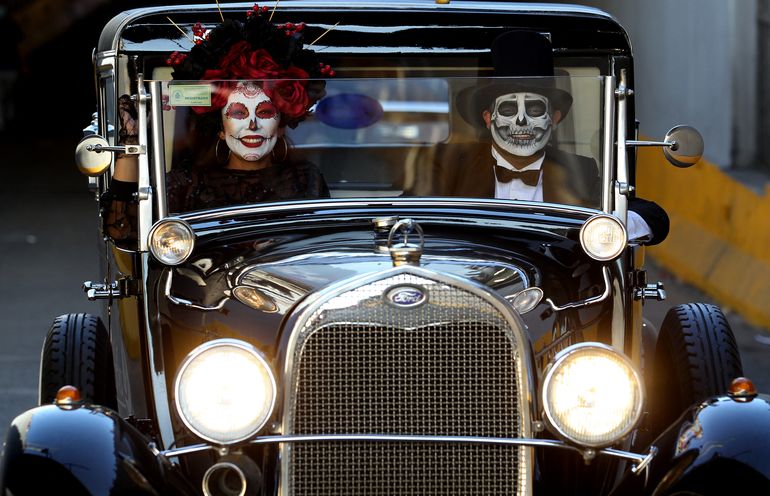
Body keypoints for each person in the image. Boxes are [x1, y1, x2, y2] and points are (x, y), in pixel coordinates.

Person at [103, 6, 330, 240]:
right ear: (221, 129)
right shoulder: (185, 184)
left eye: (264, 112)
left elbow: (326, 247)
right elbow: (122, 230)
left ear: (281, 124)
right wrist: (130, 142)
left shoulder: (306, 180)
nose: (252, 124)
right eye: (239, 113)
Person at [444, 30, 669, 244]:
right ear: (488, 118)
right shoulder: (453, 166)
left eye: (534, 110)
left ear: (554, 119)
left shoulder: (579, 170)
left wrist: (608, 229)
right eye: (509, 110)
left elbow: (652, 216)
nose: (521, 122)